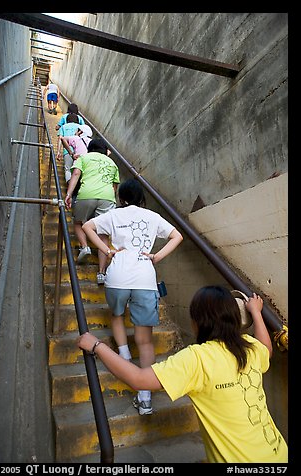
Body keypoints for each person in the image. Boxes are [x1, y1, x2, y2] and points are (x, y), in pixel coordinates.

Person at [77, 286, 288, 463]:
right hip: (278, 453)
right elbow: (267, 350)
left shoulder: (197, 359)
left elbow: (139, 379)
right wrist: (258, 313)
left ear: (197, 322)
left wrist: (97, 346)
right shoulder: (249, 347)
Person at [81, 178, 183, 415]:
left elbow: (87, 227)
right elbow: (177, 236)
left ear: (122, 198)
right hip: (145, 280)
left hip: (117, 277)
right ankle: (145, 398)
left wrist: (107, 251)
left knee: (117, 315)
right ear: (141, 198)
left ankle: (124, 356)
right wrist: (156, 257)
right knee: (145, 340)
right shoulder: (152, 217)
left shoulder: (114, 215)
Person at [64, 138, 120, 274]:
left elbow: (76, 174)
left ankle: (85, 247)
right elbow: (115, 186)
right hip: (107, 197)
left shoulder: (84, 157)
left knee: (78, 222)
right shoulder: (112, 163)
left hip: (86, 194)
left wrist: (69, 194)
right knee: (103, 233)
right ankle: (101, 272)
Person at [56, 113, 80, 184]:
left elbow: (60, 139)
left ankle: (69, 184)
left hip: (67, 151)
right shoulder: (81, 127)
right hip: (79, 152)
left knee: (68, 169)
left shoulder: (63, 127)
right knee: (78, 170)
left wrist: (58, 152)